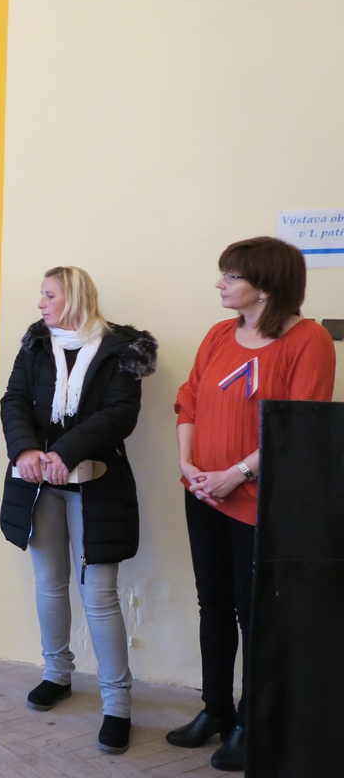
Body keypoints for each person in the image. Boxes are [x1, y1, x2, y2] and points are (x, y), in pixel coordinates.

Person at [169, 237, 335, 772]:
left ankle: (251, 722)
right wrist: (189, 465)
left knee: (253, 614)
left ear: (265, 287)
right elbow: (190, 400)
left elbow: (300, 425)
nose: (220, 283)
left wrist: (235, 474)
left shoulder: (309, 341)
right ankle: (215, 709)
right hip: (203, 494)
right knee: (212, 604)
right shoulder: (219, 333)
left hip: (259, 502)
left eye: (232, 275)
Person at [0, 266, 157, 755]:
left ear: (73, 296)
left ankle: (117, 705)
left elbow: (120, 415)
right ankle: (57, 674)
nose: (40, 304)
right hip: (37, 484)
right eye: (41, 295)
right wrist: (27, 450)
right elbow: (14, 400)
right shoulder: (35, 344)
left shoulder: (121, 349)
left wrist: (63, 453)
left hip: (97, 484)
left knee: (100, 596)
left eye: (49, 295)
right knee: (48, 583)